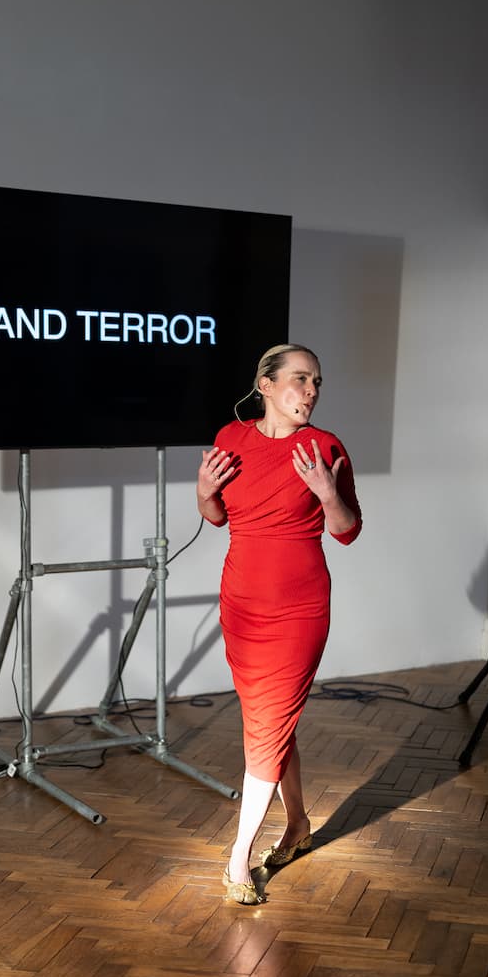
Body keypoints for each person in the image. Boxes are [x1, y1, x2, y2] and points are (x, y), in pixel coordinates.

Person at [196, 343, 362, 904]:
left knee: (267, 726)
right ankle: (297, 826)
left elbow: (346, 530)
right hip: (241, 603)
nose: (311, 390)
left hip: (299, 608)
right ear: (265, 385)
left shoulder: (326, 447)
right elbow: (218, 516)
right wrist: (203, 493)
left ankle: (239, 859)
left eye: (317, 381)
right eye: (300, 379)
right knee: (268, 721)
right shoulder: (231, 439)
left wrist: (326, 492)